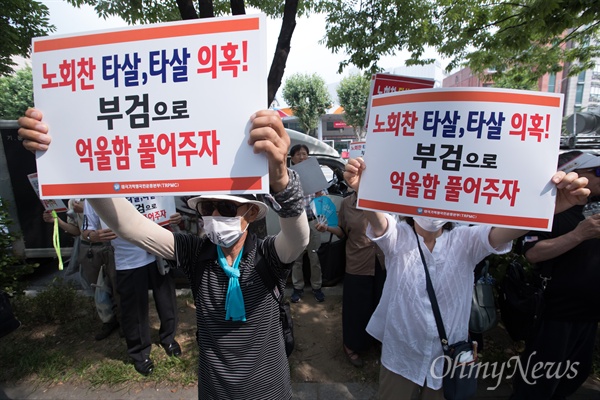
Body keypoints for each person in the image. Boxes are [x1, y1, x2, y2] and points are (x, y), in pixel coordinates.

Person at [18, 108, 310, 399]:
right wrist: (78, 164)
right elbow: (128, 225)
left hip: (269, 390)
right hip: (214, 392)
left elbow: (297, 239)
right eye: (208, 208)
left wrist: (282, 180)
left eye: (228, 208)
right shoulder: (196, 253)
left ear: (250, 212)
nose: (216, 215)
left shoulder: (266, 255)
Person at [342, 156, 590, 400]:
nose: (431, 202)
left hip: (448, 360)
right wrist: (362, 188)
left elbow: (504, 232)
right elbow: (378, 220)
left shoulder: (466, 239)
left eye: (440, 193)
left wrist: (546, 207)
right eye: (424, 192)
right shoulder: (398, 236)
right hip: (401, 355)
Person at [510, 150, 600, 399]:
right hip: (556, 315)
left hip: (589, 315)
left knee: (573, 378)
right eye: (599, 171)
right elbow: (532, 253)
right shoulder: (550, 208)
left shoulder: (596, 206)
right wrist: (579, 234)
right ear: (576, 173)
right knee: (537, 385)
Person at [82, 200, 182, 376]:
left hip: (158, 252)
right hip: (127, 260)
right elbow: (86, 231)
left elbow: (166, 212)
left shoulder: (147, 182)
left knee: (167, 300)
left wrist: (174, 217)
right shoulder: (94, 194)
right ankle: (140, 353)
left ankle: (169, 338)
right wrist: (94, 236)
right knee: (133, 309)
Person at [315, 188, 386, 368]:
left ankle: (376, 341)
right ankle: (352, 345)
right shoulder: (347, 203)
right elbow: (342, 232)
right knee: (356, 307)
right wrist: (327, 228)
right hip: (357, 261)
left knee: (379, 303)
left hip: (382, 261)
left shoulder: (384, 198)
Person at [289, 144, 326, 303]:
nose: (302, 157)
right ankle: (298, 288)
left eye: (304, 154)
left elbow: (323, 197)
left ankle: (317, 287)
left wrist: (319, 193)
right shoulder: (289, 176)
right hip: (296, 222)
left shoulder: (314, 174)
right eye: (298, 154)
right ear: (292, 158)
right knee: (296, 258)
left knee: (314, 256)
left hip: (313, 222)